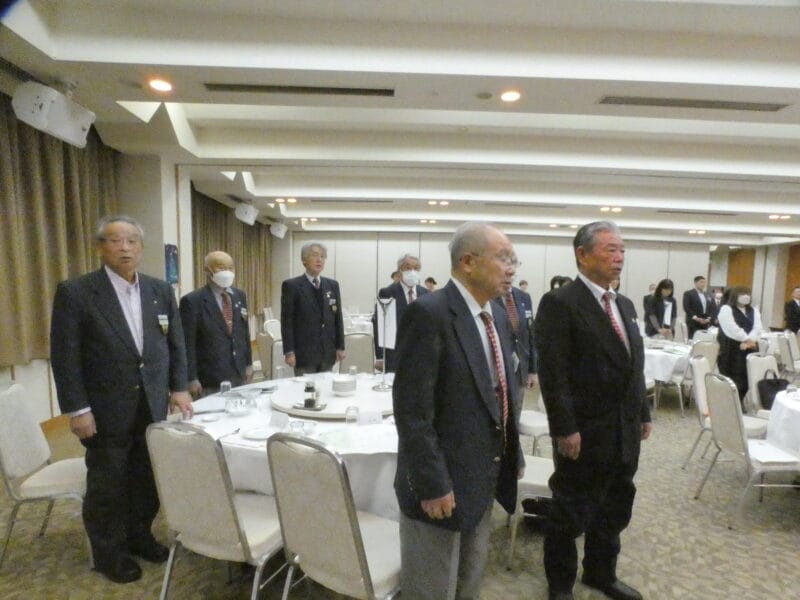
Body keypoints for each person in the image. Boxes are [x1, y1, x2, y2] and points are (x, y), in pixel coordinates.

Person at [50, 215, 193, 584]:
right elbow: (65, 357)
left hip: (151, 403)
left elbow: (175, 344)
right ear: (101, 247)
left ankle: (140, 536)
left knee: (146, 478)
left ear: (141, 248)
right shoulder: (77, 292)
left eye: (132, 241)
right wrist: (78, 408)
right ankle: (109, 554)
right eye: (115, 241)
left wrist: (178, 387)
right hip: (103, 408)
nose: (125, 248)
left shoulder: (160, 290)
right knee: (109, 484)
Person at [393, 222, 523, 599]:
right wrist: (433, 484)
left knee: (469, 581)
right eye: (503, 259)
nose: (512, 269)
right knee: (431, 588)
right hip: (441, 485)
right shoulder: (429, 314)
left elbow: (498, 393)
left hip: (482, 476)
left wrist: (510, 454)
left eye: (514, 260)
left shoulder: (496, 315)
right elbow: (412, 412)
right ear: (468, 262)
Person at [535, 221, 651, 600]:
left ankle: (601, 572)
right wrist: (564, 428)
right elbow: (553, 374)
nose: (619, 257)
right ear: (582, 255)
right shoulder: (561, 303)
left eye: (622, 250)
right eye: (610, 249)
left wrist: (643, 412)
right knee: (570, 512)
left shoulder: (624, 305)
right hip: (584, 431)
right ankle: (560, 584)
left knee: (615, 506)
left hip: (624, 429)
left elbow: (635, 365)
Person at [179, 250, 253, 397]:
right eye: (221, 267)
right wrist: (191, 378)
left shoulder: (239, 296)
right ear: (207, 270)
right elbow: (187, 343)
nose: (227, 272)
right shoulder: (192, 301)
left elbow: (244, 333)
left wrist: (248, 364)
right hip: (209, 378)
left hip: (238, 373)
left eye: (230, 268)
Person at [280, 241, 345, 374]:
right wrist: (289, 351)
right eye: (315, 255)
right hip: (304, 354)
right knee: (306, 387)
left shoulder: (332, 285)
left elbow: (338, 318)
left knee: (327, 386)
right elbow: (287, 322)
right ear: (304, 260)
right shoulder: (292, 286)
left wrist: (340, 347)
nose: (319, 259)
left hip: (327, 352)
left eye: (322, 256)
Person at [373, 253, 429, 373]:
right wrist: (380, 356)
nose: (412, 271)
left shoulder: (426, 294)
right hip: (395, 353)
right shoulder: (387, 292)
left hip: (421, 354)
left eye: (416, 268)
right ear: (400, 270)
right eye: (408, 268)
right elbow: (379, 325)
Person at [493, 279, 538, 399]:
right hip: (499, 369)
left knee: (517, 407)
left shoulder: (524, 297)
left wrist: (532, 370)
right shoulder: (488, 296)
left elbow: (530, 333)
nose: (510, 272)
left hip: (521, 368)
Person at [717, 286, 762, 405]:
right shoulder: (726, 309)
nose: (746, 297)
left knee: (746, 377)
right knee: (732, 376)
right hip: (731, 348)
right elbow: (731, 327)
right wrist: (745, 338)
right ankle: (730, 403)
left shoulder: (754, 311)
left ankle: (739, 400)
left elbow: (757, 328)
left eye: (748, 294)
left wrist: (749, 341)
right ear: (735, 296)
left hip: (749, 348)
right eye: (742, 294)